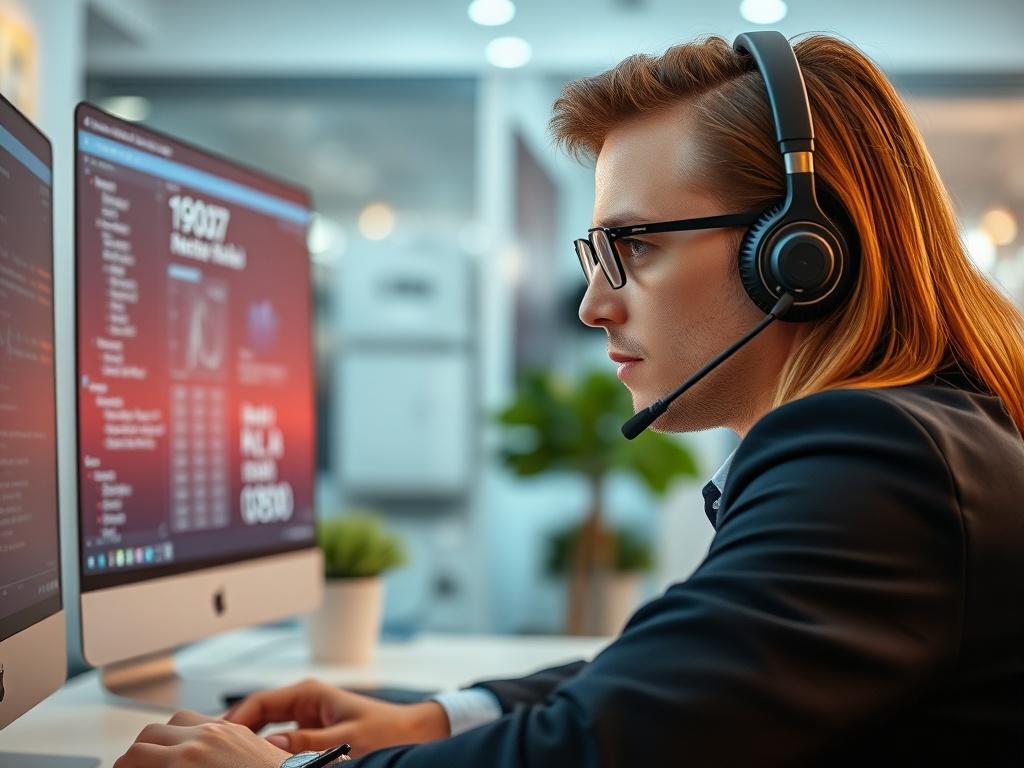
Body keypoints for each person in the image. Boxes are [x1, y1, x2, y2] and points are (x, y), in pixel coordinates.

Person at [114, 31, 1024, 768]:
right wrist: (436, 719)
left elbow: (600, 750)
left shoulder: (874, 456)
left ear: (798, 251)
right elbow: (667, 682)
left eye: (632, 245)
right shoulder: (923, 434)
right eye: (594, 256)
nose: (594, 304)